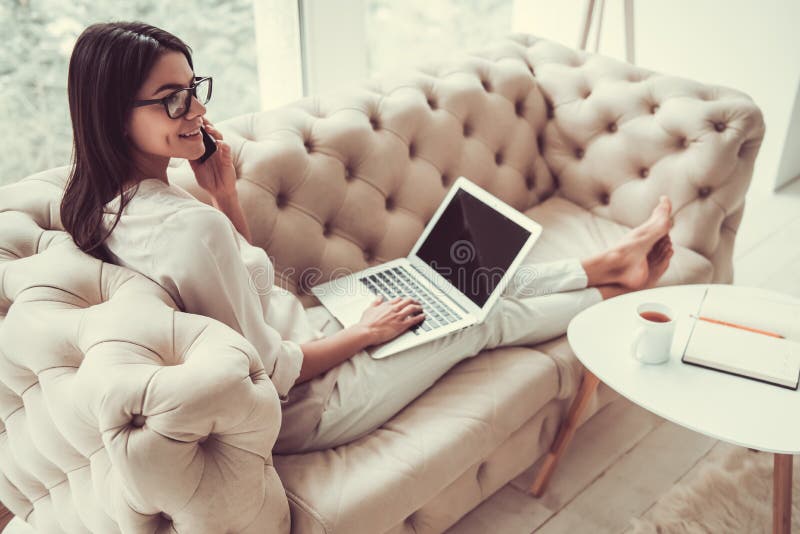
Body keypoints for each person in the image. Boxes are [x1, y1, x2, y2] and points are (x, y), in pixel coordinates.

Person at [61, 21, 674, 455]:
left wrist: (224, 195)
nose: (194, 110)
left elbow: (252, 284)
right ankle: (613, 293)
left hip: (304, 329)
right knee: (475, 319)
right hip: (308, 404)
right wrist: (367, 333)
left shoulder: (102, 204)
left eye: (194, 88)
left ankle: (606, 265)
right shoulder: (183, 226)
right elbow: (270, 375)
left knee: (449, 279)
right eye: (170, 100)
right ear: (114, 116)